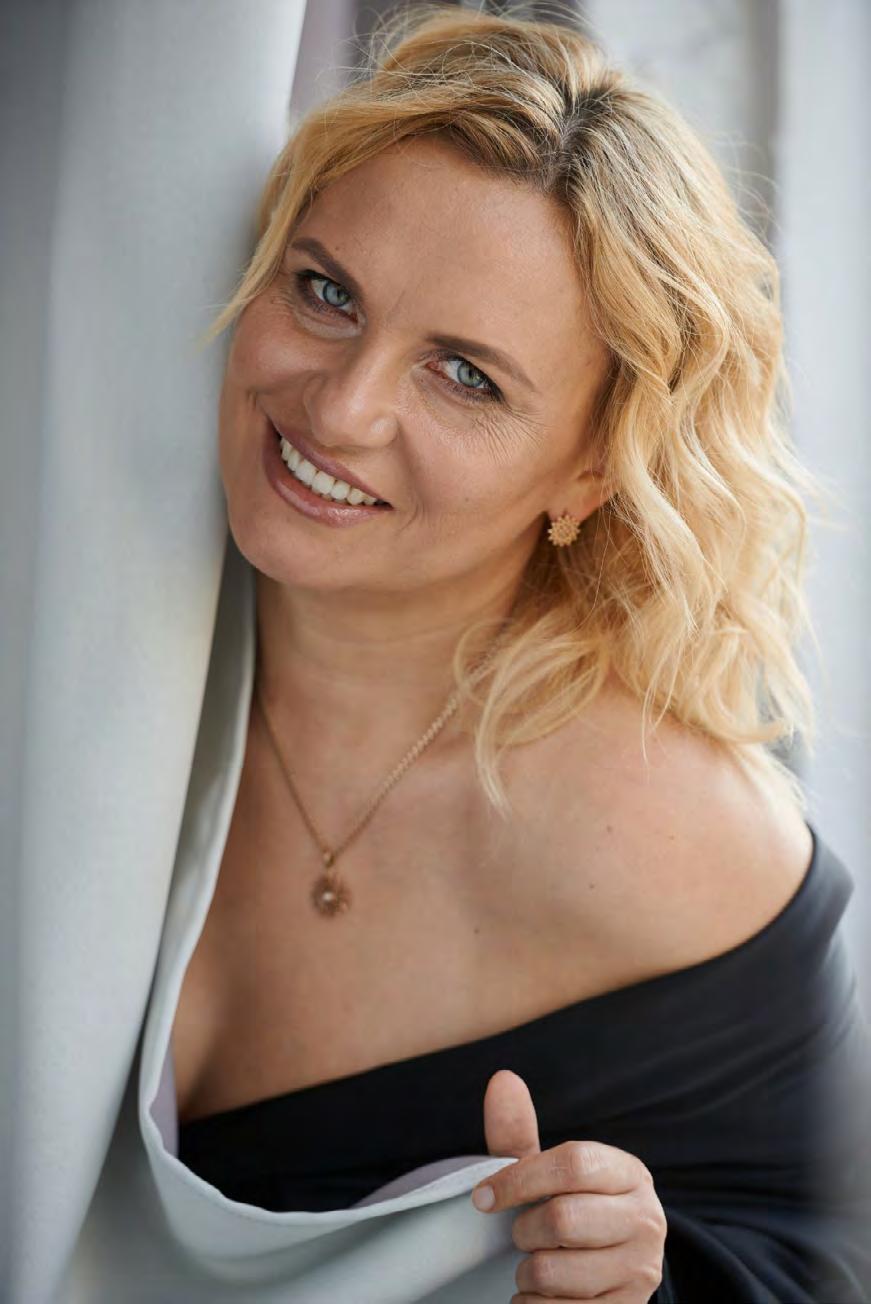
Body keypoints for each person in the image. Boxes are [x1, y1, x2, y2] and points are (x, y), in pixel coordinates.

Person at [72, 5, 871, 1301]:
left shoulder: (669, 834)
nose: (341, 409)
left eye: (466, 377)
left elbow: (820, 1257)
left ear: (590, 475)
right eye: (326, 291)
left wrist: (641, 1281)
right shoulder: (74, 598)